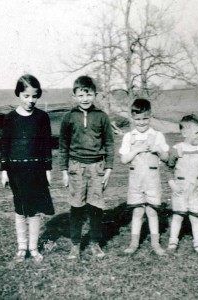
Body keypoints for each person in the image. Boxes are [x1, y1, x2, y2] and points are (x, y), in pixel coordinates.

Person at [0, 74, 55, 263]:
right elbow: (5, 145)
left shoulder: (42, 117)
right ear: (18, 94)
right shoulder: (10, 119)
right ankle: (22, 247)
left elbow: (46, 144)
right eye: (26, 96)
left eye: (35, 96)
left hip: (37, 170)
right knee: (20, 209)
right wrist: (3, 170)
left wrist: (48, 169)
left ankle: (33, 247)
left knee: (34, 210)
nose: (31, 100)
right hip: (16, 171)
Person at [59, 75, 114, 260]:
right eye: (81, 95)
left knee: (96, 207)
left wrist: (108, 169)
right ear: (74, 95)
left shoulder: (102, 117)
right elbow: (63, 146)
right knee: (77, 207)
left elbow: (109, 144)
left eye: (89, 94)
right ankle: (75, 245)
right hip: (76, 167)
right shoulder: (69, 117)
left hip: (97, 168)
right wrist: (65, 171)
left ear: (95, 95)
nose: (85, 99)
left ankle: (95, 243)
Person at [119, 98, 169, 255]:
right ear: (132, 118)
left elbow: (167, 158)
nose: (141, 123)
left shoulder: (157, 136)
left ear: (150, 116)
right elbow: (124, 159)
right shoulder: (129, 137)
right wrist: (136, 150)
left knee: (152, 211)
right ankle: (134, 243)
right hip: (136, 181)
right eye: (138, 119)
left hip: (152, 180)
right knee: (138, 212)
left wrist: (157, 150)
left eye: (145, 119)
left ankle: (155, 243)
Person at [167, 114, 198, 254]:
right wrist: (172, 185)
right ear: (184, 133)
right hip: (180, 189)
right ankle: (173, 241)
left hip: (197, 190)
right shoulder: (177, 149)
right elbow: (168, 169)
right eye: (197, 133)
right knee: (177, 215)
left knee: (195, 217)